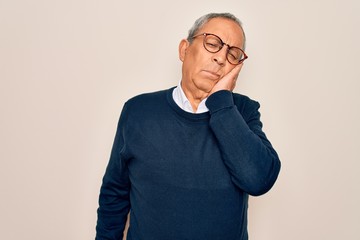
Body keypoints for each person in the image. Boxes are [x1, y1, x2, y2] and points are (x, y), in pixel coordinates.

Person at [96, 12, 281, 240]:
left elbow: (259, 180)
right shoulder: (138, 111)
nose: (221, 58)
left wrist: (222, 103)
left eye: (233, 54)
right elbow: (114, 194)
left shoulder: (242, 111)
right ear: (184, 50)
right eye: (213, 44)